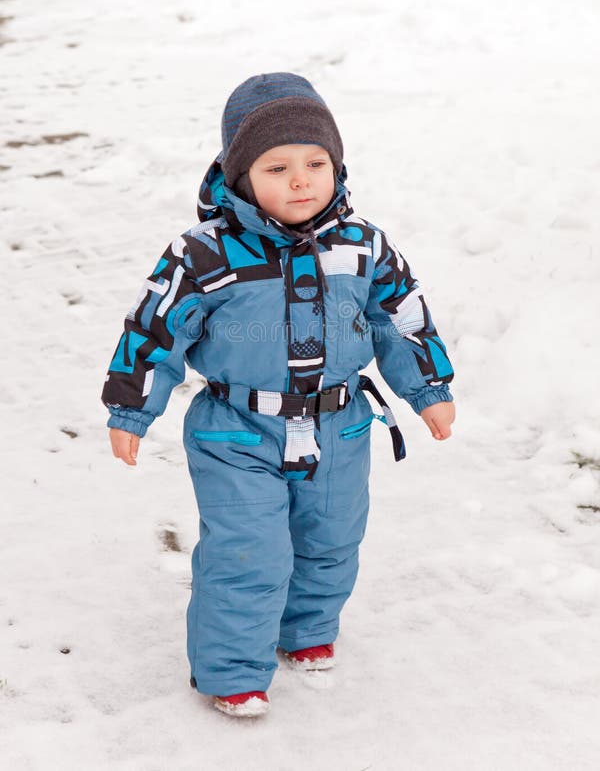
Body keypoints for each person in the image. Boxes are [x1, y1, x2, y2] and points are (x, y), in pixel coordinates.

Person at [103, 72, 455, 717]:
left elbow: (401, 317)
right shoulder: (203, 254)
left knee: (332, 537)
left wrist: (428, 389)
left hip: (340, 424)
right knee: (249, 552)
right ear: (239, 175)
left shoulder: (364, 245)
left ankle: (308, 631)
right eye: (277, 166)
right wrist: (132, 408)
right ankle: (233, 670)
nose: (301, 180)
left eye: (316, 163)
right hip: (236, 430)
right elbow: (154, 329)